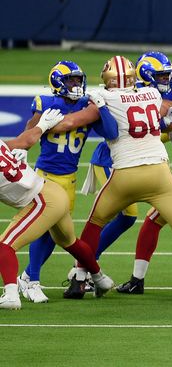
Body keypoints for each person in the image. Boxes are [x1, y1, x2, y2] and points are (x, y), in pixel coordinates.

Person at [50, 56, 172, 301]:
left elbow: (73, 122)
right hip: (159, 175)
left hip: (125, 175)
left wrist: (40, 127)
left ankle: (79, 279)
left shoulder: (104, 98)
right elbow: (169, 115)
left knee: (94, 224)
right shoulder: (152, 95)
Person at [0, 109, 115, 309]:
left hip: (43, 200)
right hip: (54, 190)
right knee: (69, 242)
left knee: (5, 246)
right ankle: (99, 278)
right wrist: (42, 126)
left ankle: (11, 294)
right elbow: (25, 141)